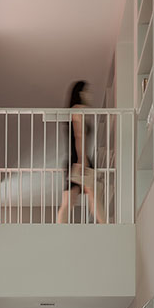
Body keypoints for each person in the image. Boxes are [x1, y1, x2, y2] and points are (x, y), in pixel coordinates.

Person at [55, 80, 105, 223]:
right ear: (81, 93)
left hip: (75, 158)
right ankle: (105, 225)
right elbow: (79, 135)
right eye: (87, 92)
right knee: (92, 194)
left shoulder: (76, 110)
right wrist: (82, 159)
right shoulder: (78, 109)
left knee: (71, 199)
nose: (90, 95)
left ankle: (59, 228)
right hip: (79, 159)